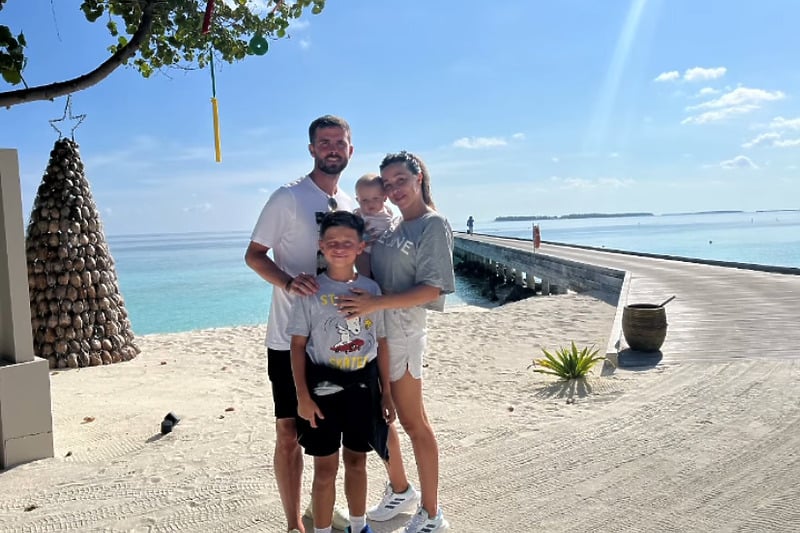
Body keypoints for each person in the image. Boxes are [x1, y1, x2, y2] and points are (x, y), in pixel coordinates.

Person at [245, 115, 356, 533]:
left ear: (350, 149)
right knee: (288, 431)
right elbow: (254, 255)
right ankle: (294, 524)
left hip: (336, 340)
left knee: (331, 433)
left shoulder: (348, 203)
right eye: (324, 142)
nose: (332, 148)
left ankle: (319, 508)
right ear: (311, 149)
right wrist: (289, 282)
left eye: (339, 142)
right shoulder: (288, 197)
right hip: (288, 337)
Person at [337, 151, 455, 533]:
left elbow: (433, 289)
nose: (394, 189)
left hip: (404, 333)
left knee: (413, 421)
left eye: (400, 179)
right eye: (387, 184)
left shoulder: (431, 225)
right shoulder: (393, 226)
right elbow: (371, 272)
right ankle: (401, 489)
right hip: (378, 333)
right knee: (383, 414)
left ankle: (432, 514)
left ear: (418, 178)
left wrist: (376, 303)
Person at [288, 211, 395, 533]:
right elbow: (297, 346)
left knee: (357, 462)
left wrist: (387, 393)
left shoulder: (371, 290)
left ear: (361, 247)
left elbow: (382, 342)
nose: (339, 247)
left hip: (363, 389)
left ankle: (359, 526)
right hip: (322, 392)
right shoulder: (310, 290)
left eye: (348, 242)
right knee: (324, 470)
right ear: (321, 245)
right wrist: (303, 397)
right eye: (332, 241)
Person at [353, 173, 393, 275]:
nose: (370, 203)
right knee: (364, 272)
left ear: (385, 197)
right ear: (358, 200)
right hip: (365, 252)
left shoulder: (388, 213)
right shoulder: (358, 215)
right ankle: (366, 280)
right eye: (364, 200)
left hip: (384, 253)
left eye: (375, 199)